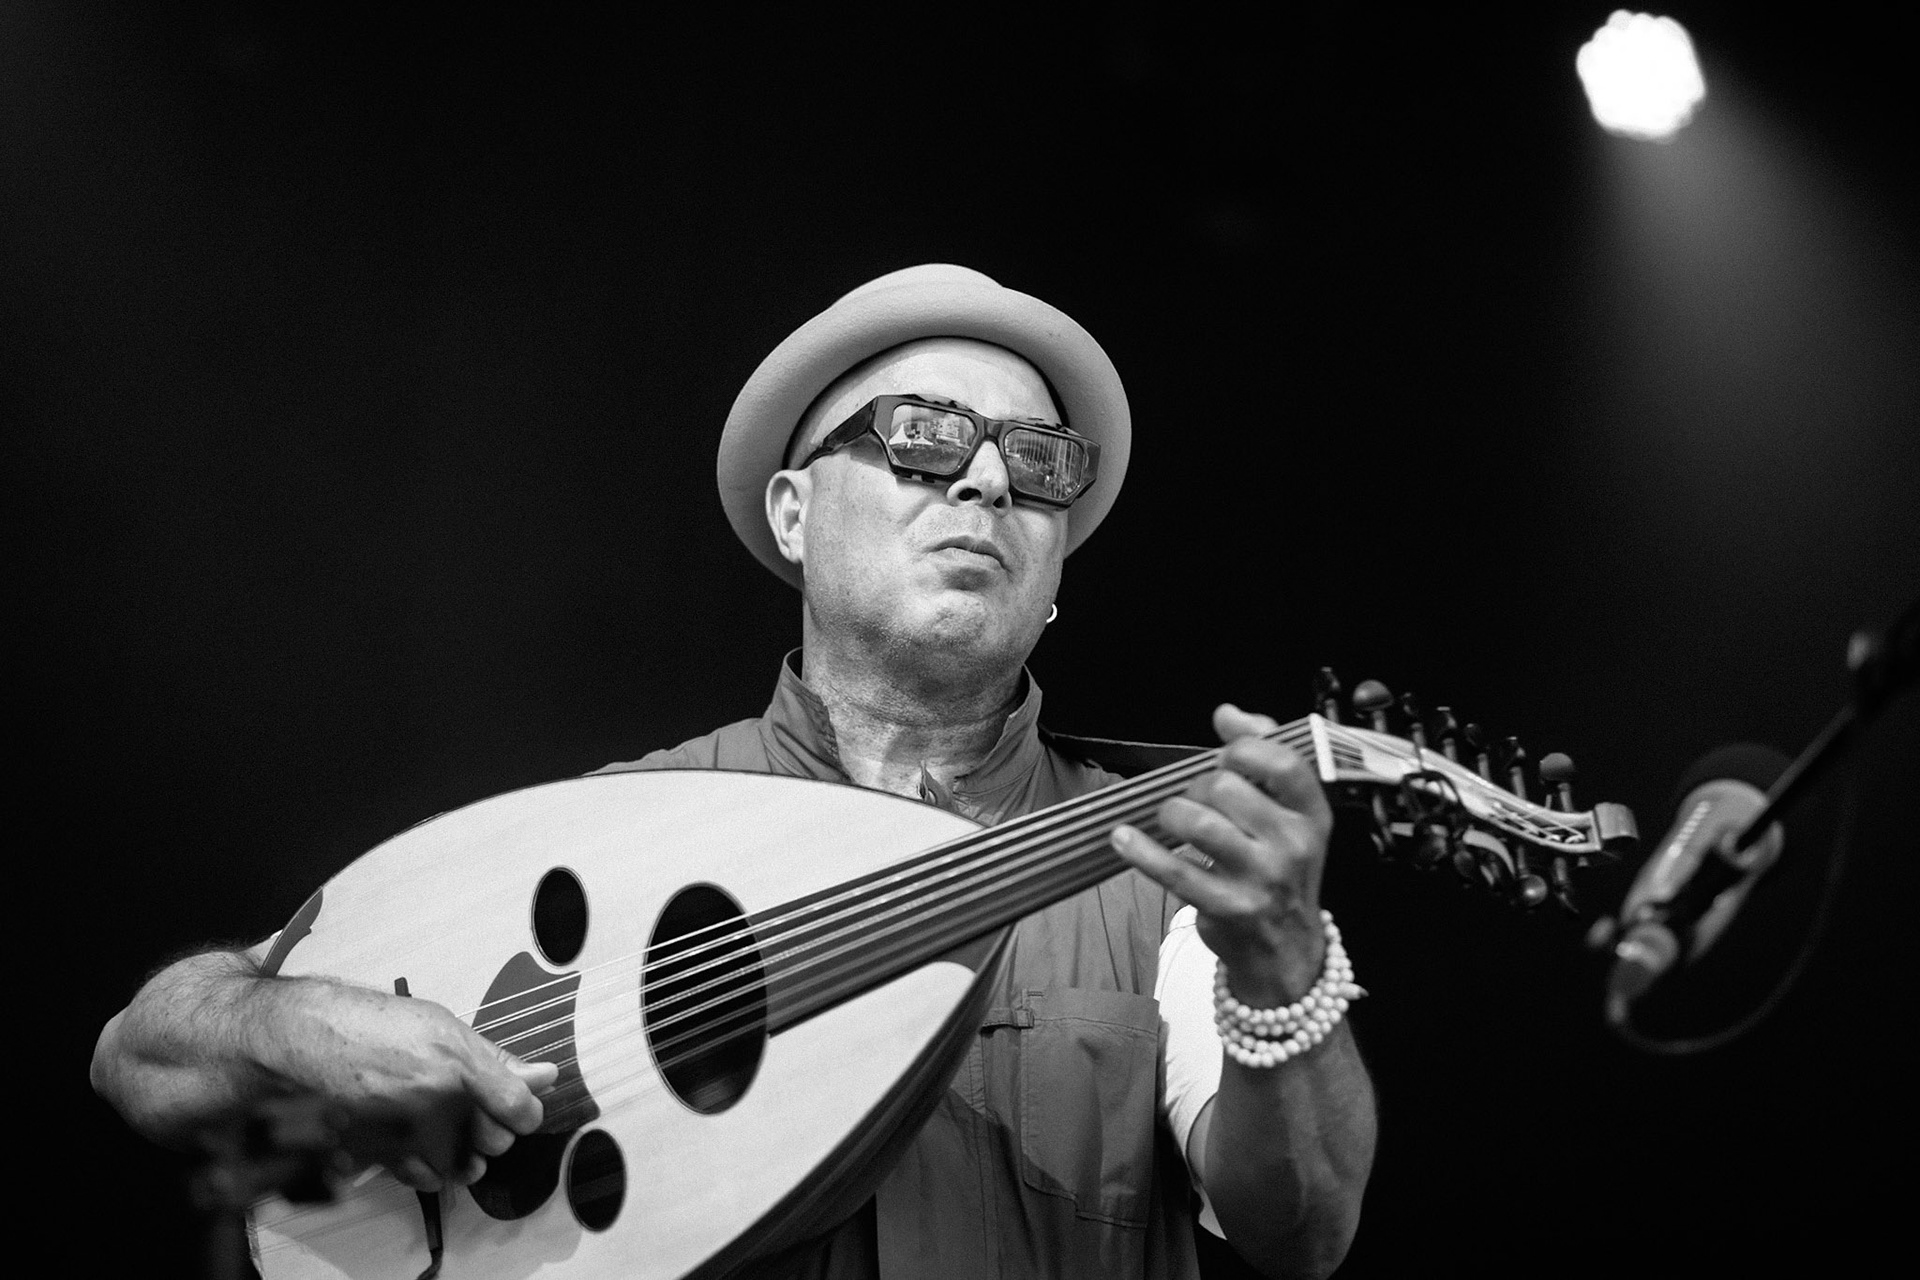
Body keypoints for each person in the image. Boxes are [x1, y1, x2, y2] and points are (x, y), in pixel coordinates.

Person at [92, 264, 1376, 1279]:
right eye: (925, 435)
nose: (989, 476)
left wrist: (1284, 965)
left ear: (1056, 565)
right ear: (794, 514)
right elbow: (143, 1060)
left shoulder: (1167, 869)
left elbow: (1303, 1231)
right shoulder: (622, 826)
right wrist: (291, 1020)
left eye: (1040, 465)